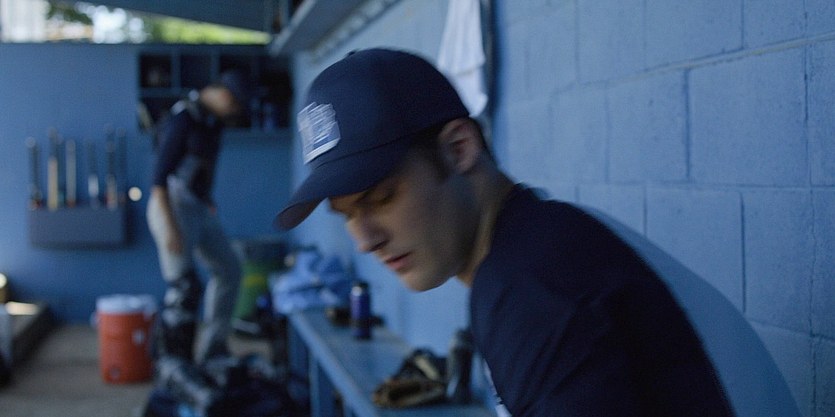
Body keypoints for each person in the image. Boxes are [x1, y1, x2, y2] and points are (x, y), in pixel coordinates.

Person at [274, 48, 735, 416]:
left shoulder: (531, 286)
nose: (365, 240)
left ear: (459, 149)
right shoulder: (538, 242)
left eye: (382, 198)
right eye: (347, 215)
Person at [146, 70, 251, 412]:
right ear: (221, 93)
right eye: (234, 102)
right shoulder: (183, 118)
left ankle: (213, 349)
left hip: (196, 206)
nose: (234, 110)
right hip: (170, 207)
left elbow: (202, 169)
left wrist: (207, 199)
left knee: (229, 269)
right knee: (184, 289)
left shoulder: (213, 122)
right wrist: (171, 229)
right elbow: (159, 181)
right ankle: (175, 366)